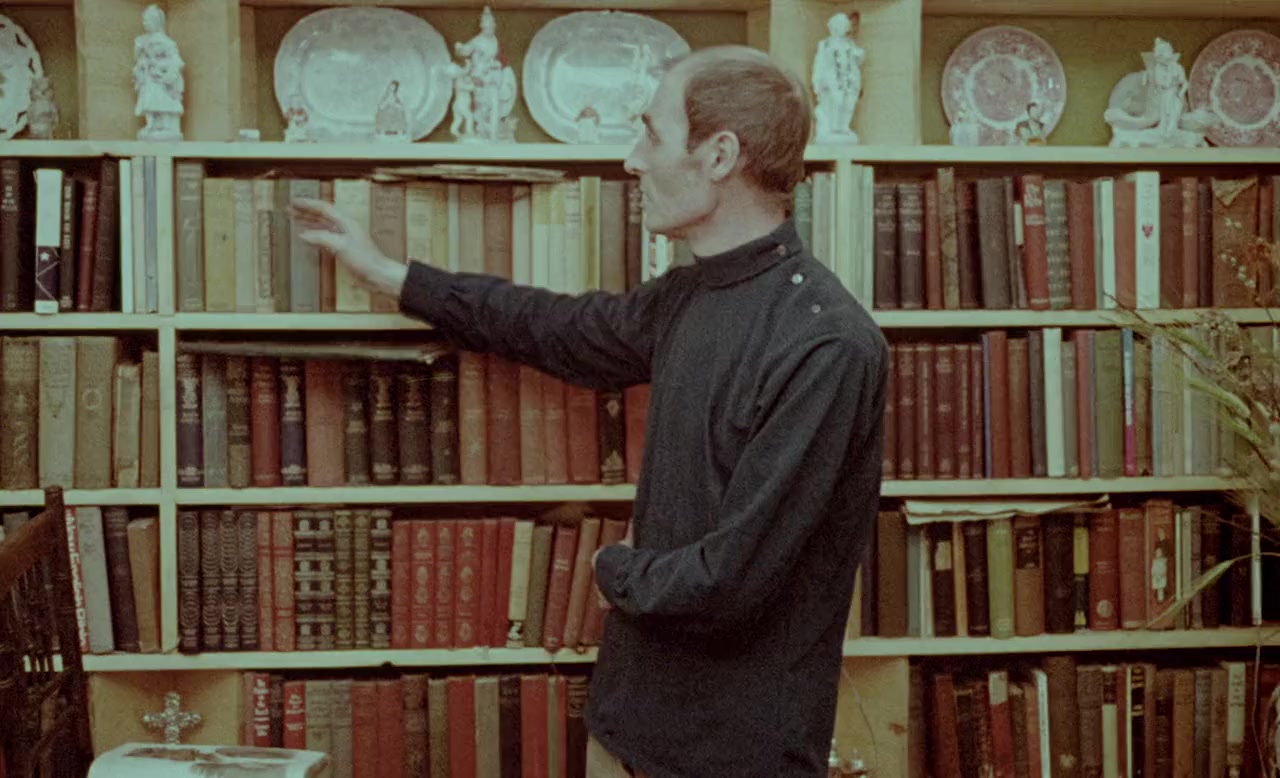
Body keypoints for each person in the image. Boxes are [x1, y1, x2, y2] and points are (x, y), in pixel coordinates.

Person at [289, 44, 888, 778]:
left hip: (733, 754)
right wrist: (393, 277)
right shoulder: (688, 295)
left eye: (652, 134)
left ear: (720, 155)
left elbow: (735, 580)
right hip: (624, 727)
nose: (633, 160)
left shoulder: (828, 344)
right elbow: (558, 328)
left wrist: (610, 569)